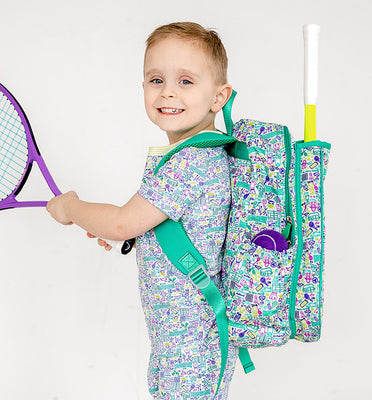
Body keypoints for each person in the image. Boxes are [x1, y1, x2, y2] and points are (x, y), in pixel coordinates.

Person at [46, 22, 238, 399]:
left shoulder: (190, 162)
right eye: (155, 79)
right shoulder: (198, 154)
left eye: (186, 81)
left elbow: (121, 222)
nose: (168, 91)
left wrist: (71, 207)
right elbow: (145, 224)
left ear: (219, 97)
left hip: (190, 342)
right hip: (187, 337)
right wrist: (104, 223)